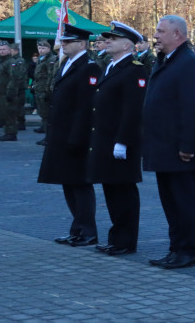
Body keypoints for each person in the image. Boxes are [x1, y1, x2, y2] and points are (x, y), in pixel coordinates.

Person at [143, 15, 195, 269]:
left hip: (179, 150)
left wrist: (187, 146)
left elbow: (192, 109)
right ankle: (175, 248)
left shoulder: (189, 63)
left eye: (161, 31)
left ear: (177, 35)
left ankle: (187, 251)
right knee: (170, 202)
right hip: (163, 147)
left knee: (183, 202)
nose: (156, 36)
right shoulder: (167, 61)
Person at [37, 25, 101, 245]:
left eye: (67, 42)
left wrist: (77, 137)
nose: (62, 44)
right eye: (63, 41)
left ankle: (88, 231)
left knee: (80, 184)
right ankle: (77, 229)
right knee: (67, 181)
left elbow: (86, 107)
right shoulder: (67, 64)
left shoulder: (89, 67)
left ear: (82, 44)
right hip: (62, 134)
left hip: (76, 136)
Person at [89, 22, 148, 256]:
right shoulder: (111, 66)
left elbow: (133, 110)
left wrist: (123, 141)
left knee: (123, 192)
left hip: (120, 142)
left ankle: (125, 240)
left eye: (113, 39)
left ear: (128, 45)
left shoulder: (134, 70)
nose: (108, 41)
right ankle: (116, 238)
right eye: (107, 39)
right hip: (106, 140)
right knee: (111, 189)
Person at [0, 40, 27, 141]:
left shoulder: (11, 62)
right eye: (0, 49)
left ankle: (11, 133)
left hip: (7, 93)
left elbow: (13, 78)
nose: (2, 51)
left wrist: (10, 92)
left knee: (9, 114)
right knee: (3, 114)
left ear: (10, 50)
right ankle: (7, 132)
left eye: (4, 49)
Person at [32, 40, 56, 138]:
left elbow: (51, 76)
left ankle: (48, 135)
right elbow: (37, 75)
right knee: (42, 110)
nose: (41, 50)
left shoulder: (51, 59)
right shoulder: (41, 59)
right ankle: (44, 127)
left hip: (45, 89)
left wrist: (48, 91)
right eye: (39, 48)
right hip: (39, 88)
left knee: (47, 112)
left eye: (43, 48)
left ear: (49, 49)